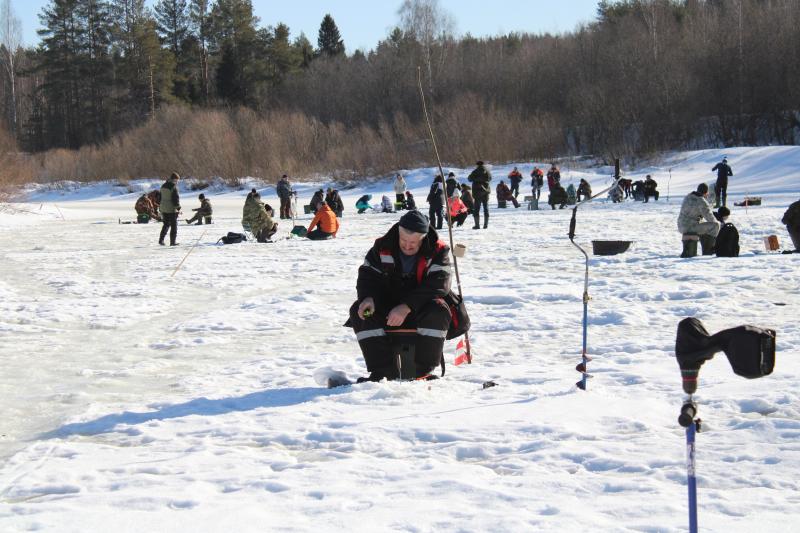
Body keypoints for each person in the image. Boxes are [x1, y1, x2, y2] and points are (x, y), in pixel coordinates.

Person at [347, 210, 453, 381]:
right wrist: (367, 298)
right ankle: (382, 372)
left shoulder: (438, 250)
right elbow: (368, 276)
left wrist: (407, 306)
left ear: (423, 238)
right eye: (403, 240)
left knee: (438, 310)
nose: (407, 246)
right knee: (360, 312)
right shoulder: (382, 247)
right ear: (398, 232)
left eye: (413, 242)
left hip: (422, 308)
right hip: (388, 307)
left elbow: (439, 284)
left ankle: (422, 371)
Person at [678, 183, 720, 255]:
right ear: (706, 193)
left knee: (703, 224)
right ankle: (708, 251)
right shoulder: (701, 201)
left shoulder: (687, 196)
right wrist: (720, 224)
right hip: (691, 227)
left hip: (681, 225)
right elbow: (710, 218)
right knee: (716, 226)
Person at [158, 172, 181, 246]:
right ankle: (172, 242)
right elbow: (175, 199)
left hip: (163, 208)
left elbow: (159, 198)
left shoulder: (163, 186)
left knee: (166, 224)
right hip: (171, 209)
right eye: (177, 180)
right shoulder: (174, 187)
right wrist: (178, 207)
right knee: (174, 225)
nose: (177, 182)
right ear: (174, 179)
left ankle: (161, 240)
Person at [468, 161, 492, 229]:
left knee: (476, 209)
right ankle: (485, 225)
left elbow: (469, 179)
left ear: (477, 165)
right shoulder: (487, 171)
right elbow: (490, 179)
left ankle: (477, 225)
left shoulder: (475, 171)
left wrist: (476, 179)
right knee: (486, 208)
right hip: (486, 191)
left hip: (477, 192)